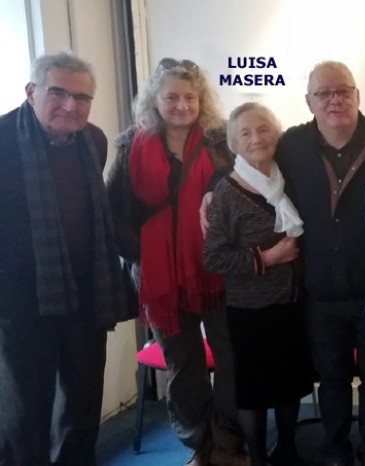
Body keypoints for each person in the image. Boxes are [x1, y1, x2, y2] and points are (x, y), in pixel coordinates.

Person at [107, 58, 246, 466]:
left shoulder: (221, 140)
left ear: (201, 99)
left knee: (232, 357)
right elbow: (113, 212)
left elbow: (243, 196)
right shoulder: (130, 145)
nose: (181, 105)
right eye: (171, 97)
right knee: (183, 366)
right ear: (155, 99)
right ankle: (200, 446)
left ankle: (228, 443)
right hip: (160, 276)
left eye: (189, 97)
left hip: (217, 270)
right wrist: (144, 254)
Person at [0, 51, 132, 466]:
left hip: (87, 295)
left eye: (82, 97)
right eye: (57, 93)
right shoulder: (3, 140)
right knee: (26, 412)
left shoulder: (94, 140)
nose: (70, 106)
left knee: (83, 403)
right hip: (21, 303)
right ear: (31, 91)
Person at [275, 61, 365, 466]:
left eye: (343, 90)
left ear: (357, 95)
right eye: (324, 93)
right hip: (320, 289)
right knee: (332, 380)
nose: (335, 100)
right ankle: (335, 450)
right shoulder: (291, 145)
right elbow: (249, 164)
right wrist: (213, 190)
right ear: (309, 101)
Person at [203, 102, 315, 466]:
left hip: (291, 303)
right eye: (246, 133)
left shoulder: (287, 180)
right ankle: (258, 458)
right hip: (250, 310)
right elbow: (213, 257)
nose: (257, 138)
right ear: (234, 144)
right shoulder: (226, 192)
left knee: (289, 386)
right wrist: (267, 257)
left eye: (263, 129)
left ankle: (287, 450)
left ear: (276, 134)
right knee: (254, 392)